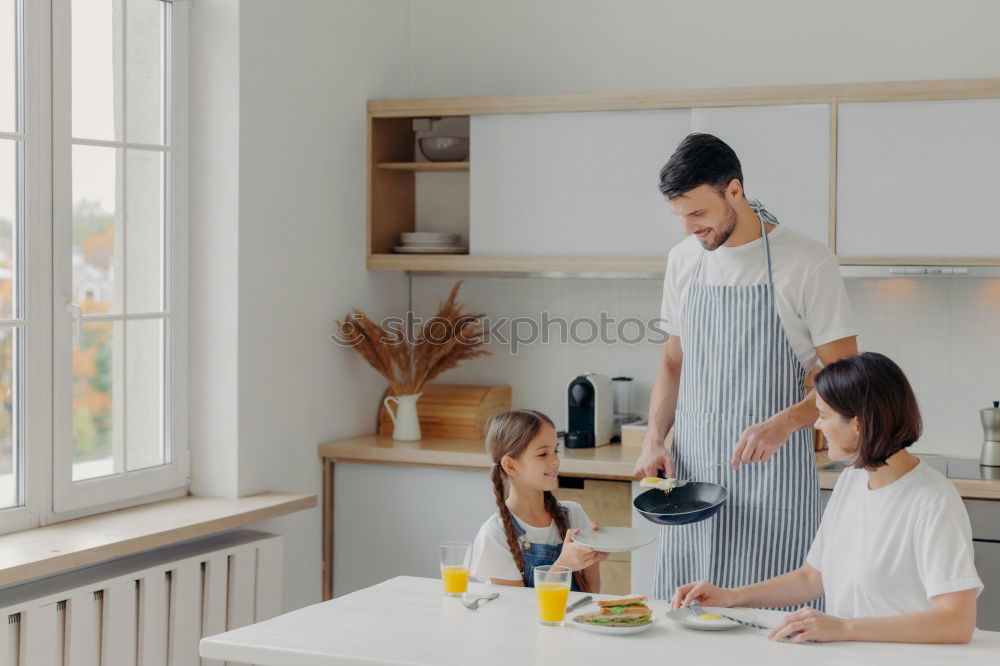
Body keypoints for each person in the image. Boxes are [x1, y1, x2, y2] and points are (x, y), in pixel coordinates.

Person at [634, 133, 859, 601]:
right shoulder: (683, 261)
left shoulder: (807, 262)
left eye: (698, 213)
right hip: (694, 484)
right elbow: (673, 364)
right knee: (684, 621)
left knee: (773, 628)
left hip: (772, 482)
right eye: (680, 216)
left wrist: (785, 422)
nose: (690, 229)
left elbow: (848, 378)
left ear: (734, 191)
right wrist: (655, 436)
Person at [671, 352, 982, 644]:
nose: (817, 425)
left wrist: (844, 628)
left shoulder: (933, 500)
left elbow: (957, 621)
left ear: (858, 424)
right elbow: (812, 578)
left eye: (823, 415)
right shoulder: (851, 481)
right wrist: (731, 596)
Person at [470, 409, 607, 592]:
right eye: (543, 454)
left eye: (555, 451)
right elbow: (517, 611)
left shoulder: (573, 514)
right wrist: (562, 566)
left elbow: (591, 594)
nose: (556, 461)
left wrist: (592, 556)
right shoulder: (495, 534)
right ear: (510, 465)